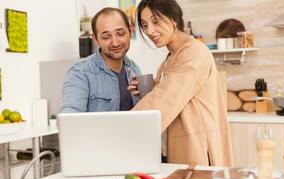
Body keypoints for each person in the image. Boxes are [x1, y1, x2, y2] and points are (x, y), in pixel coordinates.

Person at [128, 0, 233, 166]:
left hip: (197, 148)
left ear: (174, 19)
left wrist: (121, 127)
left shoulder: (194, 53)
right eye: (145, 24)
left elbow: (165, 99)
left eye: (155, 21)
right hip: (177, 146)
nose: (150, 30)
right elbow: (172, 94)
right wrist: (148, 90)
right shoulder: (171, 57)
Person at [61, 7, 141, 113]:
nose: (115, 43)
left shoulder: (134, 69)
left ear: (130, 31)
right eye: (106, 37)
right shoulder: (80, 73)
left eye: (120, 34)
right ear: (95, 39)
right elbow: (70, 119)